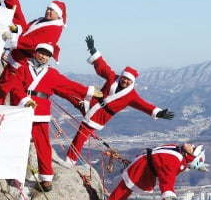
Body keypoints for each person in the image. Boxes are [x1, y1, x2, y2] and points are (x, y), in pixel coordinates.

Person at [64, 35, 175, 166]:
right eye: (124, 78)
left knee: (80, 137)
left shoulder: (131, 95)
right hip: (89, 104)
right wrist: (93, 50)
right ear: (121, 76)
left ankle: (69, 162)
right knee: (68, 92)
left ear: (132, 82)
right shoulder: (112, 78)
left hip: (99, 116)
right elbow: (102, 66)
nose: (125, 81)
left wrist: (159, 113)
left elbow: (143, 105)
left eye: (128, 80)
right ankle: (49, 87)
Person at [10, 43, 97, 192]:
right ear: (35, 53)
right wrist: (25, 100)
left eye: (46, 54)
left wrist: (88, 91)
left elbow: (69, 86)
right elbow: (16, 87)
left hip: (41, 111)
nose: (43, 56)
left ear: (50, 57)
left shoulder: (52, 74)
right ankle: (12, 171)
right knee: (16, 141)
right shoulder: (23, 69)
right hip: (22, 108)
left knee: (43, 145)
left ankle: (46, 178)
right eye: (40, 52)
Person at [101, 143, 208, 200]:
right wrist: (195, 166)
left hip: (142, 171)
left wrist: (168, 194)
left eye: (193, 149)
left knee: (121, 193)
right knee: (122, 193)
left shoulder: (175, 159)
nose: (192, 145)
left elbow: (168, 177)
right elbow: (180, 167)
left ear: (190, 156)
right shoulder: (177, 152)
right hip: (144, 166)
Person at [0, 0, 67, 104]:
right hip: (17, 56)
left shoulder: (54, 29)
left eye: (51, 10)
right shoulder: (41, 20)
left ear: (58, 14)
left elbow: (34, 44)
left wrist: (15, 37)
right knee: (5, 86)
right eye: (47, 9)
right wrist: (16, 29)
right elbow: (26, 28)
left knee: (7, 87)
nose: (48, 11)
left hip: (23, 60)